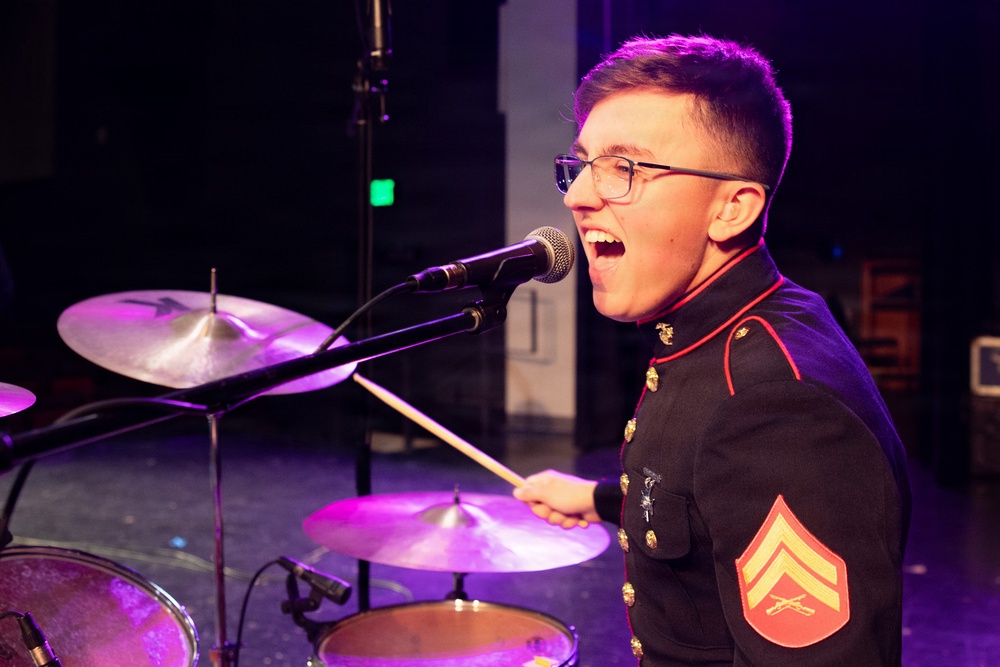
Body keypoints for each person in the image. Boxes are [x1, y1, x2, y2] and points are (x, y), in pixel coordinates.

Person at [513, 34, 911, 665]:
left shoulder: (776, 406)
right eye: (583, 163)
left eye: (626, 169)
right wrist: (596, 500)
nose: (577, 196)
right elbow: (713, 499)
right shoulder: (734, 326)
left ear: (731, 209)